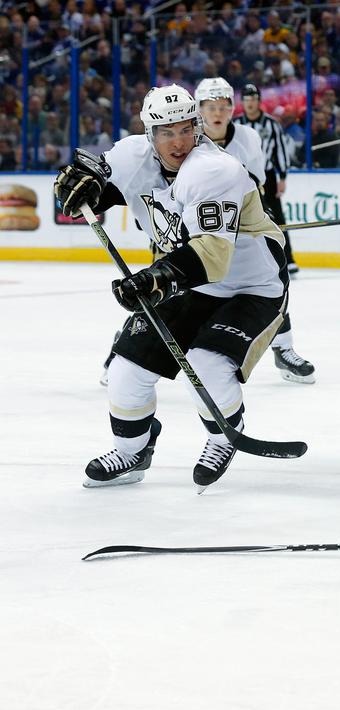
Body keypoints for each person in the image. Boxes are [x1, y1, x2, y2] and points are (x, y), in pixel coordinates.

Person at [53, 84, 291, 492]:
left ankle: (221, 438)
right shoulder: (132, 154)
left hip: (251, 285)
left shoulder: (214, 170)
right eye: (165, 132)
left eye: (185, 129)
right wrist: (84, 190)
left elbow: (213, 258)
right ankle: (132, 451)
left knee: (206, 364)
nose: (177, 141)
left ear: (197, 127)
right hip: (189, 282)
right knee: (126, 371)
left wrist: (155, 279)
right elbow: (103, 185)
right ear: (150, 134)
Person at [195, 77, 317, 384]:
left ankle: (284, 350)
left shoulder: (248, 137)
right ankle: (128, 353)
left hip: (242, 231)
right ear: (199, 110)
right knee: (175, 297)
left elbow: (255, 182)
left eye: (224, 106)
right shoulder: (188, 139)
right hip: (200, 234)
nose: (217, 113)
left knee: (271, 283)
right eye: (210, 107)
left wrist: (255, 215)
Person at [233, 84, 295, 274]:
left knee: (277, 217)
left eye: (253, 99)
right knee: (242, 217)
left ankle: (288, 259)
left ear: (259, 101)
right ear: (242, 102)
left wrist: (282, 176)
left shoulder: (271, 124)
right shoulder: (236, 125)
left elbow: (280, 151)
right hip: (242, 176)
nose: (250, 103)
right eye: (247, 99)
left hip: (267, 176)